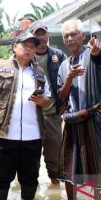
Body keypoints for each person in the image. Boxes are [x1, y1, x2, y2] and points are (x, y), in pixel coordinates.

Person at [57, 19, 101, 200]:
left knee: (97, 170)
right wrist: (69, 78)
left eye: (73, 34)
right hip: (73, 120)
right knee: (69, 168)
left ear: (82, 35)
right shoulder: (64, 66)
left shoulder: (93, 54)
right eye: (66, 36)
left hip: (93, 120)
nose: (69, 38)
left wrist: (97, 53)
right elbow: (61, 96)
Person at [0, 32, 52, 200]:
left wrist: (42, 100)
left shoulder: (39, 72)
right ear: (14, 47)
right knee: (2, 178)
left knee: (30, 179)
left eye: (32, 46)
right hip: (5, 135)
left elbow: (48, 100)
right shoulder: (0, 68)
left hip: (33, 136)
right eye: (24, 45)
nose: (28, 49)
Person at [29, 21, 67, 184]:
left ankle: (55, 190)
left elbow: (68, 81)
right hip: (30, 116)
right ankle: (30, 189)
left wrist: (65, 103)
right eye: (36, 34)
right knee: (30, 157)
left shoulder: (59, 56)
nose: (41, 37)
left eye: (43, 33)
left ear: (48, 35)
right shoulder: (25, 56)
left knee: (55, 155)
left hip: (53, 114)